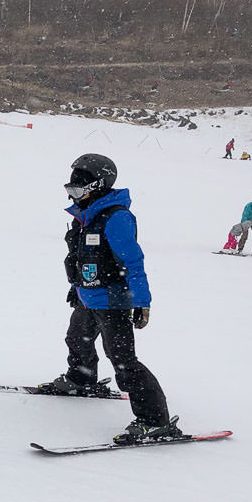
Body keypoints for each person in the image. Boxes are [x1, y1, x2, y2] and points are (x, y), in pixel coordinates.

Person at [39, 154, 180, 444]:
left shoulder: (116, 217)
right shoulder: (86, 216)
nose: (73, 195)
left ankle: (155, 421)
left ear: (99, 184)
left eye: (78, 189)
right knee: (77, 339)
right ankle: (82, 377)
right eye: (70, 190)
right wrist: (76, 288)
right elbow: (82, 259)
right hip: (88, 297)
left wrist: (141, 301)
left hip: (113, 301)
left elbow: (133, 261)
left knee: (124, 361)